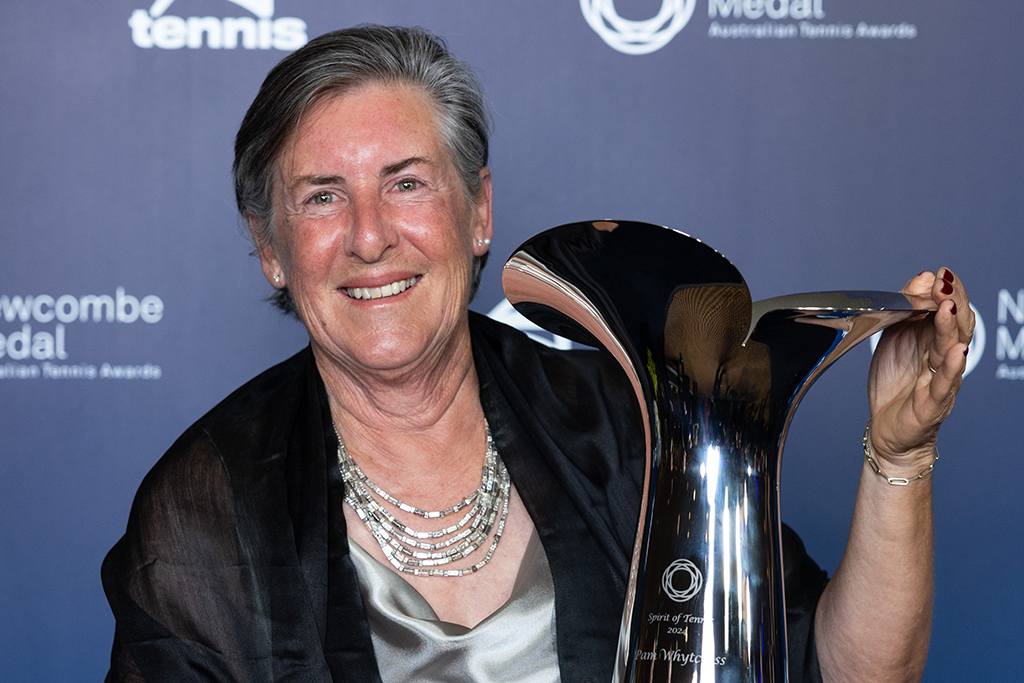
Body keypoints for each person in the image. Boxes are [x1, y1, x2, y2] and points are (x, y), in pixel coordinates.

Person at [102, 25, 974, 683]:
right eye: (322, 196)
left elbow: (835, 667)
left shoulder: (624, 417)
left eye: (407, 182)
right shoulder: (202, 510)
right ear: (270, 247)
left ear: (478, 211)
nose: (370, 237)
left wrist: (900, 452)